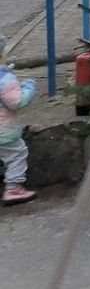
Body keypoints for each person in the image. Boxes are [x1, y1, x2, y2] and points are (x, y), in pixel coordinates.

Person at [0, 32, 37, 205]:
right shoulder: (5, 78)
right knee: (17, 154)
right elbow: (17, 102)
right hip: (4, 131)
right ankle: (13, 188)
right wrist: (28, 87)